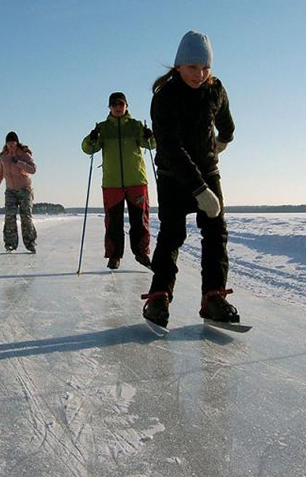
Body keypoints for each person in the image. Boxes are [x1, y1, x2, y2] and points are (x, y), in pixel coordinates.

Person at [141, 30, 239, 328]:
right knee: (172, 234)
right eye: (192, 67)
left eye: (205, 67)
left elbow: (227, 123)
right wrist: (199, 189)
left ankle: (213, 297)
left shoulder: (215, 89)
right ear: (178, 65)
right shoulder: (165, 97)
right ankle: (159, 297)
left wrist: (223, 140)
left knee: (216, 233)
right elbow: (171, 148)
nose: (200, 74)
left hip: (208, 170)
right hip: (173, 175)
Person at [81, 92, 156, 270]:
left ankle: (141, 252)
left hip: (136, 180)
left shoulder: (136, 126)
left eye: (120, 104)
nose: (117, 107)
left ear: (126, 106)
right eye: (114, 104)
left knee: (139, 219)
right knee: (113, 222)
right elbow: (88, 149)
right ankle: (114, 256)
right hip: (112, 182)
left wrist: (149, 135)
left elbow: (151, 145)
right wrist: (90, 139)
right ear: (109, 107)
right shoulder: (103, 128)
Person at [0, 131, 38, 253]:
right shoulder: (3, 157)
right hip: (10, 191)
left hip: (24, 190)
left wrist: (19, 162)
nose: (11, 145)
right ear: (6, 144)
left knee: (26, 216)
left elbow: (33, 169)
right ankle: (10, 244)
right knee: (10, 216)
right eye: (9, 143)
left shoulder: (24, 154)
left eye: (13, 143)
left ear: (17, 143)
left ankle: (30, 243)